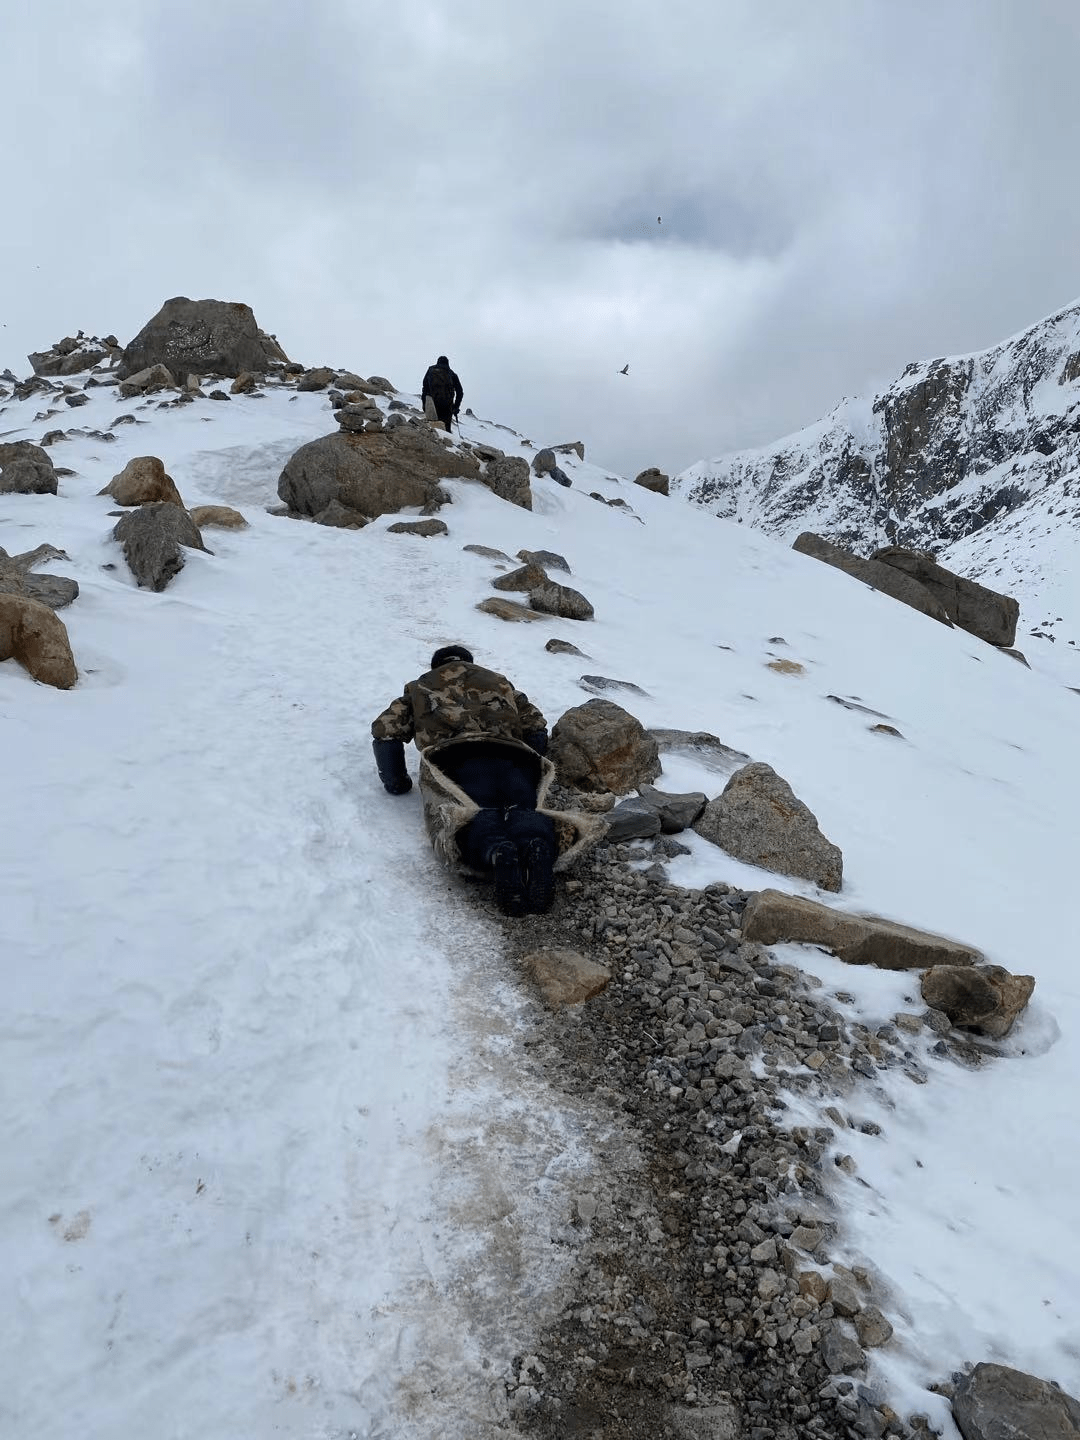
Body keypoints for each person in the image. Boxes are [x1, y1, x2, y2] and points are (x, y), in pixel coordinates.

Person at [371, 645, 600, 915]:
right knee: (521, 810)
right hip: (513, 757)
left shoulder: (420, 686)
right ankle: (536, 844)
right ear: (471, 662)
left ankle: (496, 849)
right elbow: (536, 728)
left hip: (454, 760)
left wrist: (396, 782)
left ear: (436, 666)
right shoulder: (499, 681)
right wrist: (530, 768)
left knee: (469, 815)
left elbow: (385, 733)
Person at [421, 355, 463, 432]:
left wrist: (424, 404)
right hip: (447, 405)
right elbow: (460, 392)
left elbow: (425, 388)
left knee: (432, 429)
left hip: (431, 402)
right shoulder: (452, 374)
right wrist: (456, 407)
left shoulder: (430, 370)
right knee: (445, 430)